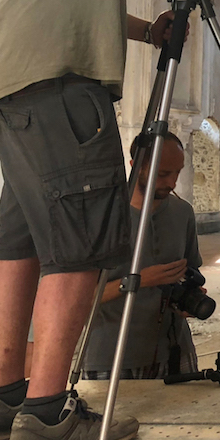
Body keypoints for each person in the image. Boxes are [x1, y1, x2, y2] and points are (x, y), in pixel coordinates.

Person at [0, 0, 211, 440]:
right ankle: (51, 414)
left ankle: (3, 394)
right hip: (61, 89)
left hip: (17, 87)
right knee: (83, 244)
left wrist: (146, 32)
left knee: (22, 241)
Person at [82, 133, 202, 380]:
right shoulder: (101, 217)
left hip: (174, 350)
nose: (172, 183)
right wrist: (138, 280)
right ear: (135, 166)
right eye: (162, 174)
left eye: (177, 172)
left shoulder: (182, 213)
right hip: (112, 354)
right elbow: (79, 299)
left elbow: (191, 271)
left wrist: (189, 298)